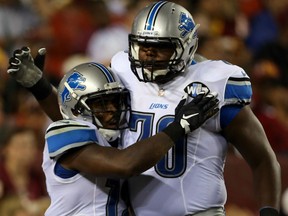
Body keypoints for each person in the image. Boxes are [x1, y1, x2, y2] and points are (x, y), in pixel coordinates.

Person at [7, 1, 281, 216]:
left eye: (159, 48)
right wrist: (42, 88)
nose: (147, 55)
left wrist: (269, 211)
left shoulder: (214, 85)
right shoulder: (124, 74)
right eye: (142, 46)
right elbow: (82, 117)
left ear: (186, 47)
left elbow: (262, 157)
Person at [7, 49, 219, 215]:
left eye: (115, 101)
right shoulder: (63, 132)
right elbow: (124, 165)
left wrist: (40, 86)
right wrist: (179, 126)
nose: (113, 110)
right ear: (80, 109)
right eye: (101, 104)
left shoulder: (108, 136)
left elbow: (73, 113)